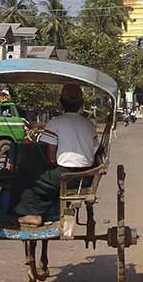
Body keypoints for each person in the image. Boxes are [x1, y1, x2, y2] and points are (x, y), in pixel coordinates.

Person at [14, 83, 99, 226]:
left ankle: (33, 214)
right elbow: (95, 149)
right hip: (86, 177)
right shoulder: (89, 124)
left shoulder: (55, 123)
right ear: (81, 103)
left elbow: (51, 158)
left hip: (65, 176)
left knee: (29, 177)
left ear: (61, 102)